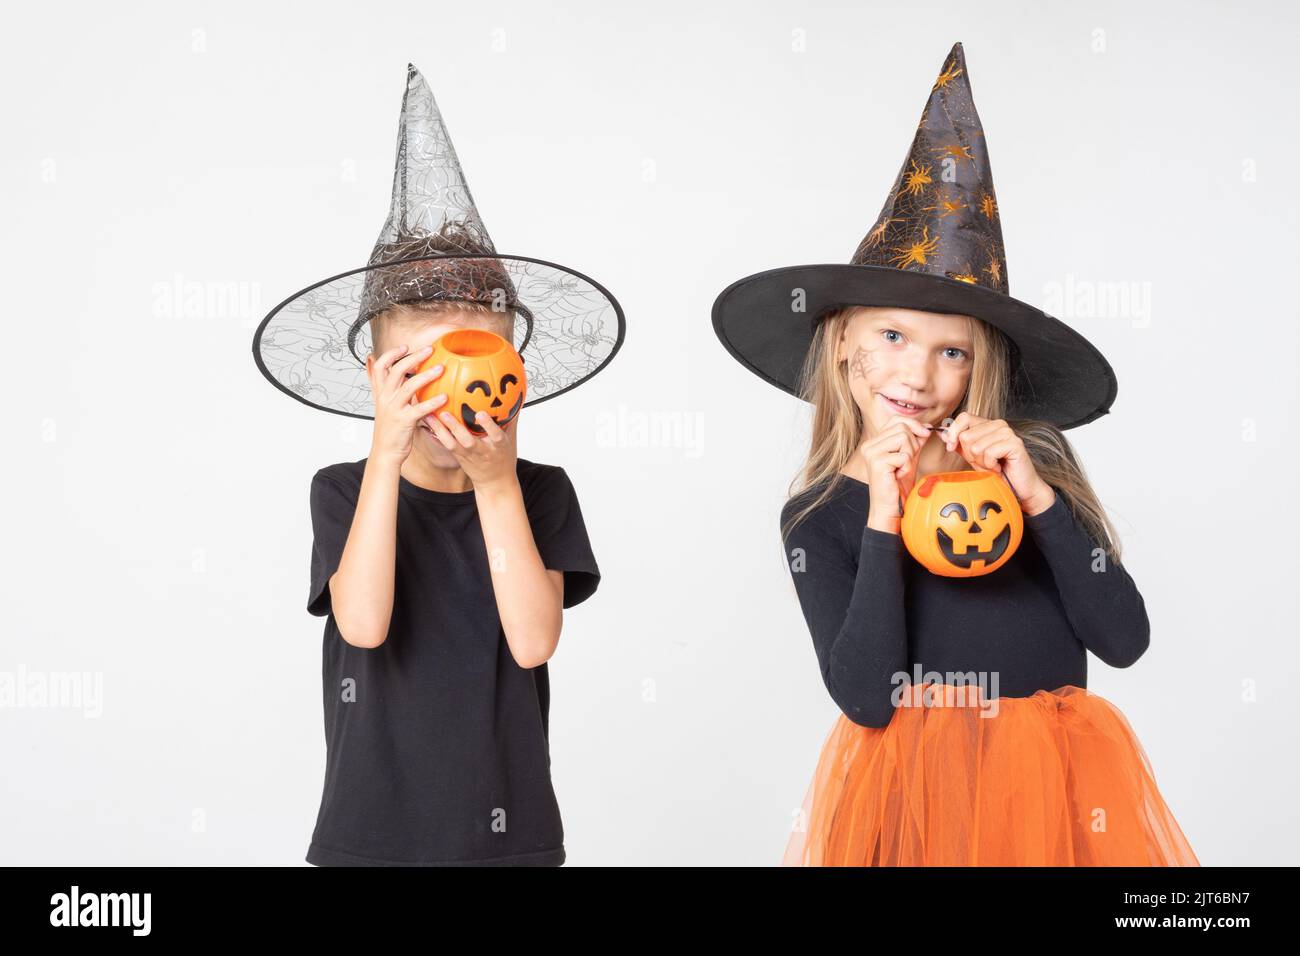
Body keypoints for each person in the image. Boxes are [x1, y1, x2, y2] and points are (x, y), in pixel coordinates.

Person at [711, 43, 1198, 866]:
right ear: (840, 347)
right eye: (893, 336)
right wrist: (883, 521)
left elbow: (1124, 639)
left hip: (1052, 786)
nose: (919, 372)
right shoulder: (823, 514)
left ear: (984, 366)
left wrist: (1040, 501)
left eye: (953, 351)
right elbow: (866, 697)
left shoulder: (1033, 468)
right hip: (910, 796)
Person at [252, 64, 625, 866]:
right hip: (367, 833)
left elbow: (533, 642)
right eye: (414, 372)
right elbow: (364, 622)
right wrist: (385, 458)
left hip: (509, 835)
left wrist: (496, 482)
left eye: (471, 366)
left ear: (512, 375)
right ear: (378, 381)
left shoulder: (539, 493)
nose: (441, 397)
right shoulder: (345, 489)